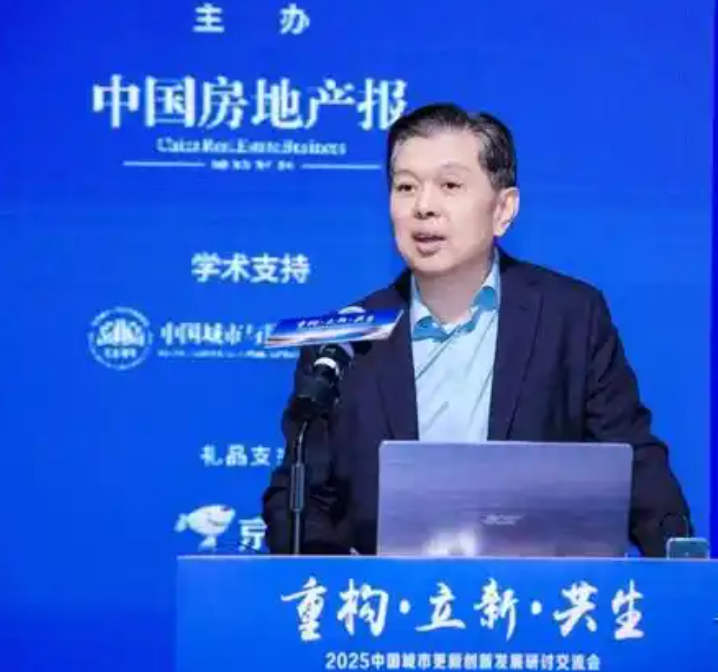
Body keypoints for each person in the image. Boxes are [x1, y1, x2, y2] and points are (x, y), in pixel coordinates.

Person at [261, 103, 692, 557]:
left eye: (449, 185)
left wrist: (682, 559)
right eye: (405, 187)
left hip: (532, 595)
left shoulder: (571, 317)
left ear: (503, 209)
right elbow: (299, 499)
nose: (423, 207)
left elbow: (634, 464)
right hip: (389, 600)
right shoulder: (344, 342)